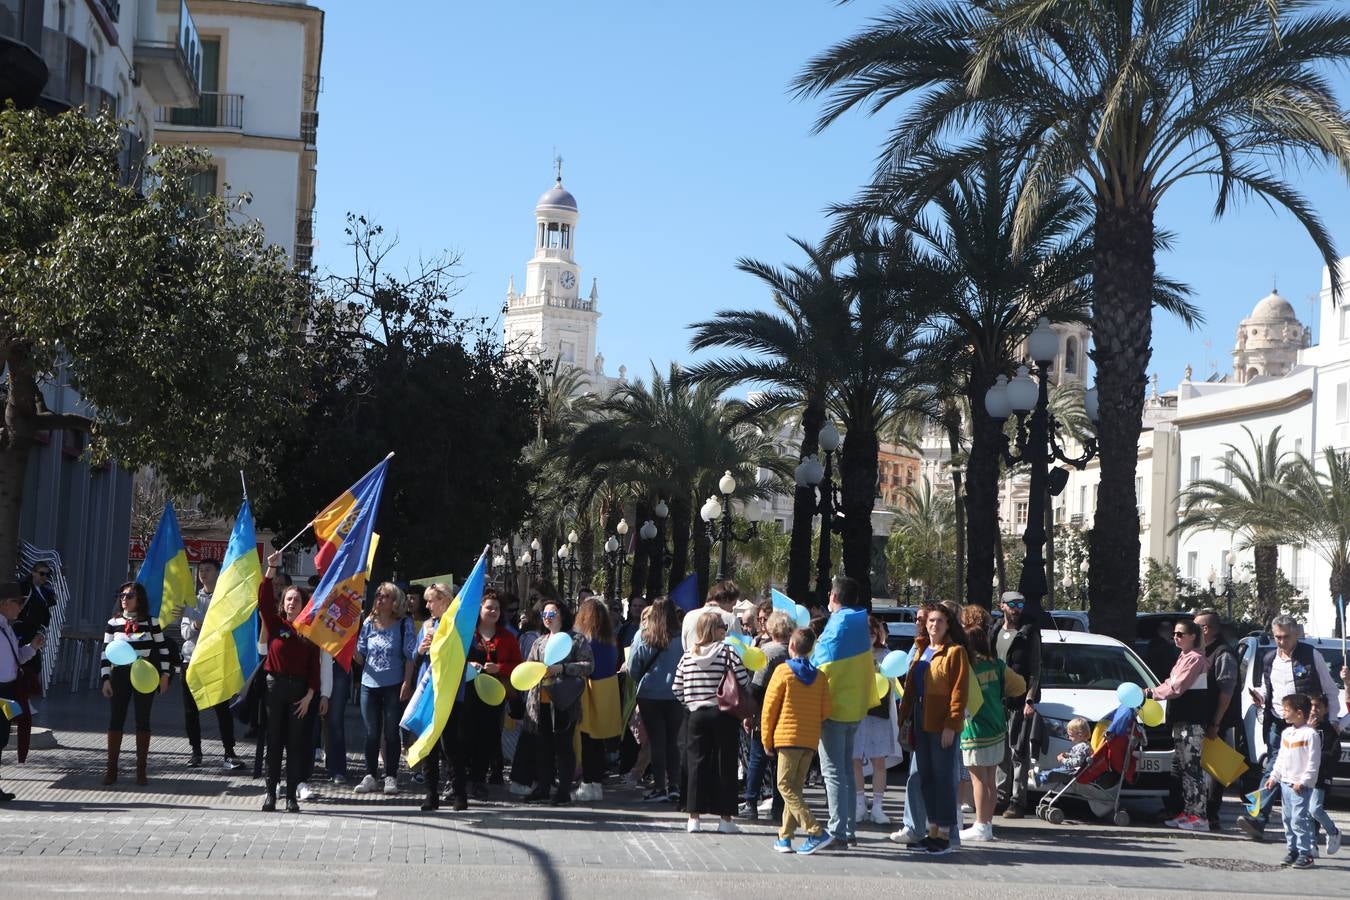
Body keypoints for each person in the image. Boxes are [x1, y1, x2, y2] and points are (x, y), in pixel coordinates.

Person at [1238, 615, 1341, 840]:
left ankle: (1271, 821)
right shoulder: (1269, 659)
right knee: (1275, 766)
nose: (1281, 641)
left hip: (1305, 723)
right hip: (1277, 720)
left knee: (1295, 771)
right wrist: (1260, 697)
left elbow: (1331, 691)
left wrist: (1332, 720)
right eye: (1277, 637)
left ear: (1296, 635)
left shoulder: (1311, 655)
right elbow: (1269, 689)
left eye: (1285, 637)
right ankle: (1258, 818)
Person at [898, 601, 970, 855]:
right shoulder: (921, 649)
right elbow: (909, 689)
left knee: (943, 779)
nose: (934, 625)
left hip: (941, 723)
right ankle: (932, 831)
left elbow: (959, 693)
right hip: (920, 720)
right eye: (930, 621)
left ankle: (946, 835)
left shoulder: (955, 652)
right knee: (925, 779)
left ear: (948, 624)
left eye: (939, 621)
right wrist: (902, 720)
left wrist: (952, 725)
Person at [811, 575, 874, 849]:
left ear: (833, 597)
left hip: (834, 707)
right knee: (846, 771)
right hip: (855, 707)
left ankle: (837, 831)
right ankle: (848, 830)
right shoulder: (859, 621)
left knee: (833, 772)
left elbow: (819, 663)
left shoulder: (837, 624)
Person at [673, 611, 748, 833]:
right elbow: (742, 680)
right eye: (722, 627)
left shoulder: (688, 655)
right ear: (714, 630)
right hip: (723, 713)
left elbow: (676, 687)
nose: (725, 630)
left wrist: (691, 700)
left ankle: (693, 817)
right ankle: (725, 819)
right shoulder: (728, 652)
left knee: (695, 763)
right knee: (725, 764)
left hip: (696, 715)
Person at [256, 558, 321, 812]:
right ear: (283, 604)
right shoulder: (276, 624)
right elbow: (263, 600)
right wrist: (271, 569)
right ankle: (271, 793)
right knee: (274, 742)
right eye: (288, 599)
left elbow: (314, 667)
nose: (292, 603)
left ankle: (291, 796)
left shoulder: (308, 632)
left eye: (297, 600)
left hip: (299, 693)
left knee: (295, 744)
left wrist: (310, 695)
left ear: (304, 605)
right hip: (274, 688)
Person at [761, 627, 833, 855]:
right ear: (811, 649)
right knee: (796, 788)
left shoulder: (783, 671)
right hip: (809, 739)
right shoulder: (820, 676)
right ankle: (785, 837)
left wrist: (766, 738)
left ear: (791, 646)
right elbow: (826, 710)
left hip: (786, 737)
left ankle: (815, 830)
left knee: (784, 785)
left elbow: (769, 708)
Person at [100, 582, 171, 786]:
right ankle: (111, 769)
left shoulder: (151, 622)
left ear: (139, 599)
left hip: (144, 674)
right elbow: (105, 652)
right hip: (120, 675)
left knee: (143, 720)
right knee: (116, 720)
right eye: (121, 595)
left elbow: (163, 649)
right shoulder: (113, 623)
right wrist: (105, 679)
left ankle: (141, 770)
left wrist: (165, 675)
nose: (124, 599)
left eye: (129, 596)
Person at [523, 600, 594, 805]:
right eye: (544, 614)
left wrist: (563, 668)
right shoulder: (539, 641)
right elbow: (529, 667)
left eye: (552, 614)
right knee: (543, 746)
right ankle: (543, 787)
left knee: (564, 746)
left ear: (562, 615)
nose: (547, 617)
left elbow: (588, 666)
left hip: (564, 701)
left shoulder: (576, 639)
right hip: (541, 702)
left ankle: (563, 790)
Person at [959, 624, 1026, 842]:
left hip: (975, 727)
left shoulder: (967, 666)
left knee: (978, 779)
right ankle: (986, 824)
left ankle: (980, 824)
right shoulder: (996, 665)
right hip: (997, 725)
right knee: (989, 780)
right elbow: (1020, 685)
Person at [1144, 617, 1210, 832]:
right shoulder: (1182, 657)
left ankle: (1199, 815)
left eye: (1180, 634)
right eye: (1174, 634)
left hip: (1193, 720)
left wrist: (1152, 693)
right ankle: (1189, 810)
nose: (1176, 637)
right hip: (1181, 719)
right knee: (1183, 766)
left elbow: (1177, 687)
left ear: (1193, 636)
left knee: (1192, 768)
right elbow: (1169, 682)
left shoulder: (1195, 659)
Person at [179, 559, 245, 771]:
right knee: (190, 710)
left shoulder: (224, 600)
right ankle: (196, 752)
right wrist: (197, 623)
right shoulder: (192, 600)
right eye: (201, 570)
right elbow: (185, 633)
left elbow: (227, 626)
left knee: (222, 708)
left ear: (218, 573)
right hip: (192, 660)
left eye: (208, 570)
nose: (203, 573)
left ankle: (229, 752)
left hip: (216, 660)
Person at [353, 582, 417, 795]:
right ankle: (370, 775)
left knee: (391, 732)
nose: (380, 599)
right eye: (378, 595)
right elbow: (361, 656)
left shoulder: (403, 623)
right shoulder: (369, 622)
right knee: (371, 732)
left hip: (394, 685)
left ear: (395, 601)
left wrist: (407, 683)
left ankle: (391, 776)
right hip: (369, 685)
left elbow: (410, 656)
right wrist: (351, 650)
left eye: (385, 596)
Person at [412, 583, 469, 812]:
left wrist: (441, 642)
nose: (427, 605)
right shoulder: (426, 626)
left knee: (451, 744)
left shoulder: (457, 626)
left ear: (445, 601)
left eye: (431, 600)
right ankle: (430, 793)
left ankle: (459, 793)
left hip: (449, 692)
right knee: (429, 744)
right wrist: (421, 650)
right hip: (427, 693)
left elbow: (463, 655)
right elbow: (414, 659)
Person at [626, 597, 685, 803]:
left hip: (650, 694)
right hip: (676, 694)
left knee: (656, 741)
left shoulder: (643, 636)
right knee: (672, 742)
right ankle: (675, 785)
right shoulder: (682, 639)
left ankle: (660, 787)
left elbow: (633, 667)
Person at [464, 589, 521, 799]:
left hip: (494, 693)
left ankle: (479, 778)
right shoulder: (468, 633)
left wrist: (499, 668)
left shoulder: (507, 636)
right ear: (479, 609)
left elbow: (518, 665)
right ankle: (464, 777)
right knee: (466, 734)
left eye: (496, 608)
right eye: (489, 607)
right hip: (468, 692)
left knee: (488, 736)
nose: (493, 611)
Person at [990, 590, 1041, 818]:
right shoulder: (994, 631)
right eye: (1012, 604)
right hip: (997, 701)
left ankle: (1017, 801)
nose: (1017, 608)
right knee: (1000, 751)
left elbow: (1036, 670)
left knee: (1018, 751)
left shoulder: (1029, 632)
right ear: (1002, 605)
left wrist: (1030, 699)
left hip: (1020, 701)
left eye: (1020, 603)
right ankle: (1000, 798)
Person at [741, 610, 792, 820]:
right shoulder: (793, 652)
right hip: (787, 713)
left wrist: (748, 713)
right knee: (781, 763)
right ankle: (778, 808)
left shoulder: (766, 651)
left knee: (757, 759)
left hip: (764, 713)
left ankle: (751, 802)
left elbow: (755, 686)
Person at [853, 614, 902, 827]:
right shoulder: (852, 654)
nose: (870, 635)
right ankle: (859, 803)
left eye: (873, 631)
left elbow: (893, 684)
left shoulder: (886, 655)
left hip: (879, 715)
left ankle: (878, 806)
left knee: (879, 761)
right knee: (854, 759)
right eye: (865, 632)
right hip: (856, 713)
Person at [1194, 609, 1240, 831]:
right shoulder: (1202, 650)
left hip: (1216, 722)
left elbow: (1226, 692)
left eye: (1195, 626)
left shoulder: (1223, 654)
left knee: (1215, 770)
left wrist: (1215, 723)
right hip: (1201, 718)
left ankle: (1212, 814)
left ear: (1206, 629)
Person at [1264, 693, 1320, 868]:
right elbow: (1281, 758)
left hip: (1299, 786)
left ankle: (1306, 853)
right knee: (1287, 819)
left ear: (1300, 713)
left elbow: (1313, 761)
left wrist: (1304, 781)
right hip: (1285, 784)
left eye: (1287, 710)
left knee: (1299, 820)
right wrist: (1274, 777)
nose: (1284, 713)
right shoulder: (1287, 733)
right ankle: (1293, 850)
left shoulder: (1310, 735)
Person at [0, 583, 45, 801]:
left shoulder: (6, 627)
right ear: (6, 604)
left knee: (1, 737)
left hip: (8, 689)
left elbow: (16, 657)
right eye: (18, 603)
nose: (20, 608)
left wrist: (32, 647)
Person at [574, 597, 620, 802]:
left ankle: (587, 784)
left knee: (585, 740)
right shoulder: (610, 641)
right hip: (606, 691)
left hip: (587, 691)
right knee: (598, 741)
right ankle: (596, 784)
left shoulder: (585, 641)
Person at [508, 604, 545, 797]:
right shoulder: (533, 638)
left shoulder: (538, 637)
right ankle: (522, 780)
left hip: (539, 697)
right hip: (532, 696)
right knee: (529, 739)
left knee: (536, 740)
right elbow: (528, 666)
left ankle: (537, 779)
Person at [1307, 693, 1341, 858]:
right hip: (1305, 777)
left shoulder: (1330, 730)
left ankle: (1333, 831)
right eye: (1312, 706)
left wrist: (1319, 758)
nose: (1314, 710)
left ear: (1325, 709)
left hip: (1321, 777)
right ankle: (1312, 845)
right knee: (1307, 813)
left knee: (1315, 809)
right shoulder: (1302, 729)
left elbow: (1334, 753)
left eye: (1318, 706)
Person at [679, 580, 744, 651]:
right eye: (732, 605)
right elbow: (740, 650)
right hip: (721, 661)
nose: (732, 610)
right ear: (727, 599)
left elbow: (684, 647)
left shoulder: (689, 616)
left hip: (691, 660)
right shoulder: (731, 619)